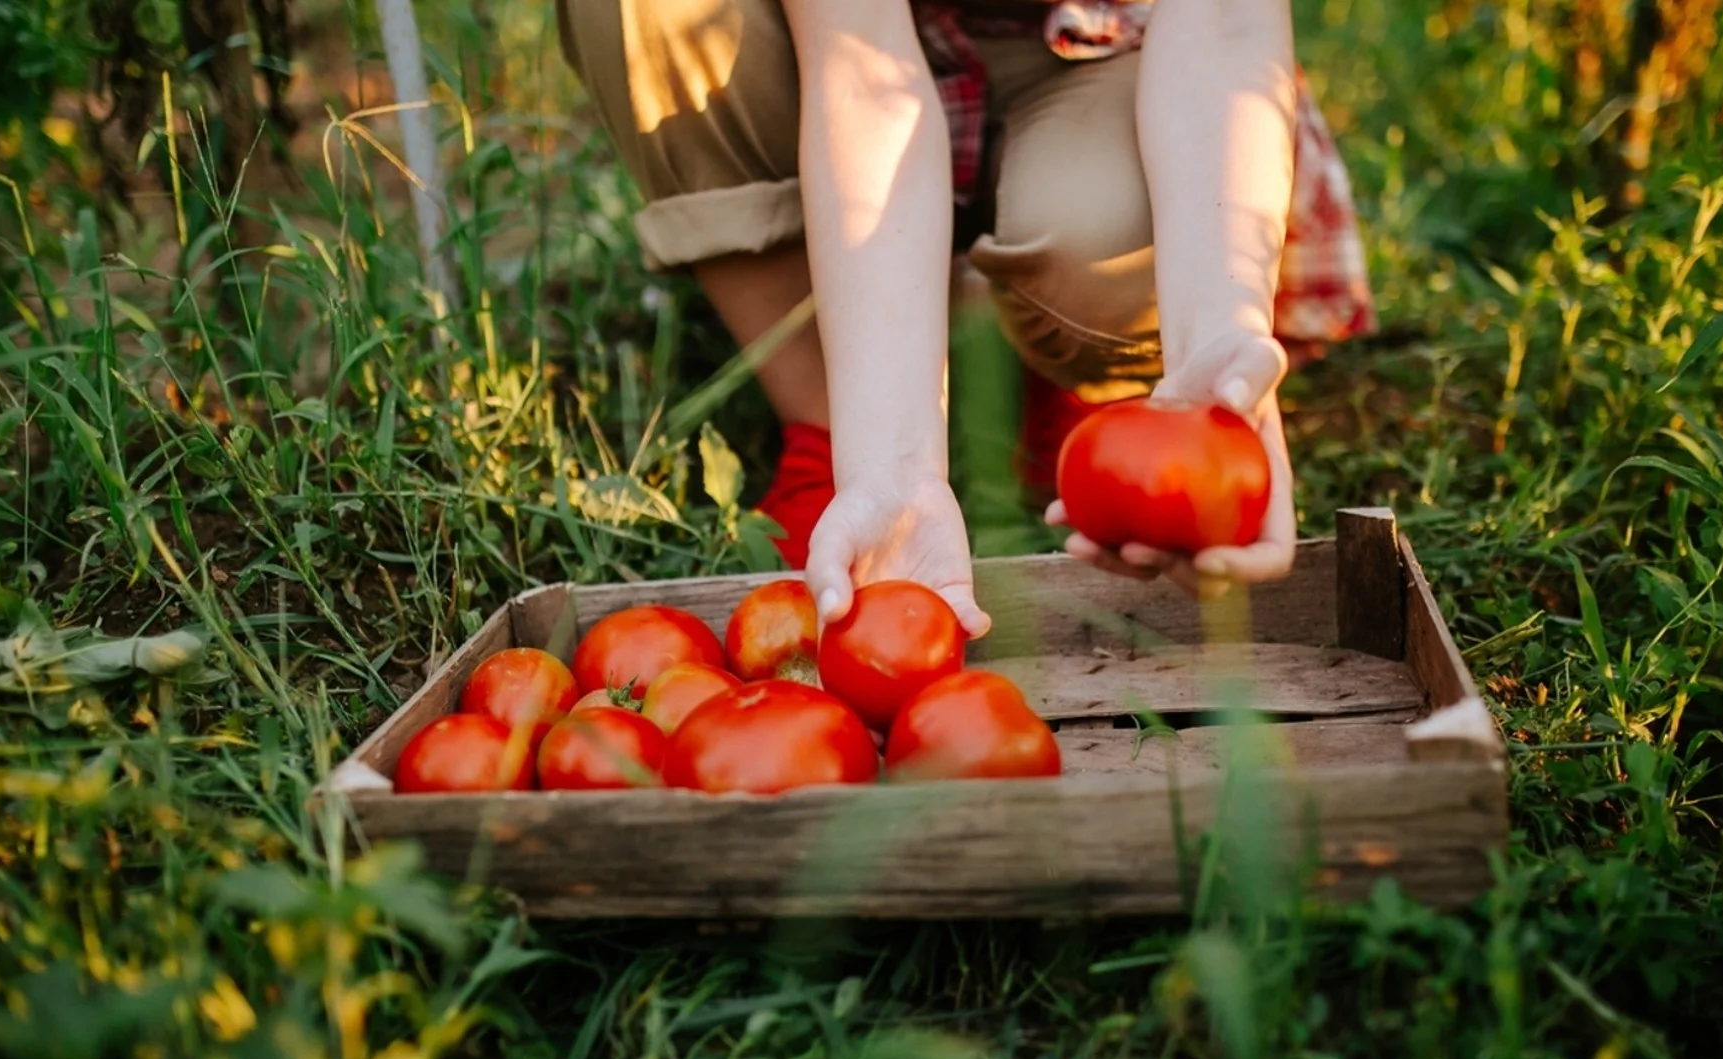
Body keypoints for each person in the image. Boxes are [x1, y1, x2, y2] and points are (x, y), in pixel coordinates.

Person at [554, 0, 1373, 639]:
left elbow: (1224, 20)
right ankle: (832, 428)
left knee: (1094, 235)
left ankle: (1090, 385)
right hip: (838, 58)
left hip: (1107, 52)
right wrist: (887, 465)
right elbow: (861, 68)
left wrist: (1214, 350)